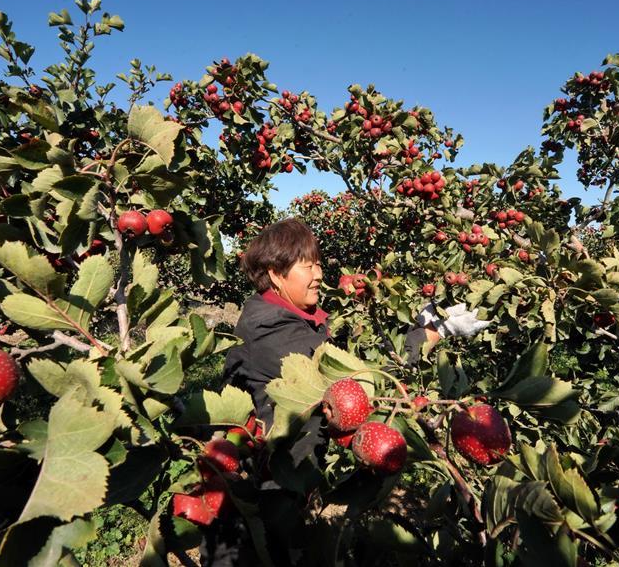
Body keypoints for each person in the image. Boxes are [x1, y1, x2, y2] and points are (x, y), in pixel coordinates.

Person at [203, 218, 491, 565]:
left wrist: (412, 327)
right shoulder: (270, 330)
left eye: (319, 263)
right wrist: (431, 334)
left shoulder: (292, 316)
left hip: (284, 483)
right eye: (305, 265)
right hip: (259, 501)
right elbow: (349, 378)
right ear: (276, 274)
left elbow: (345, 351)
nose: (319, 274)